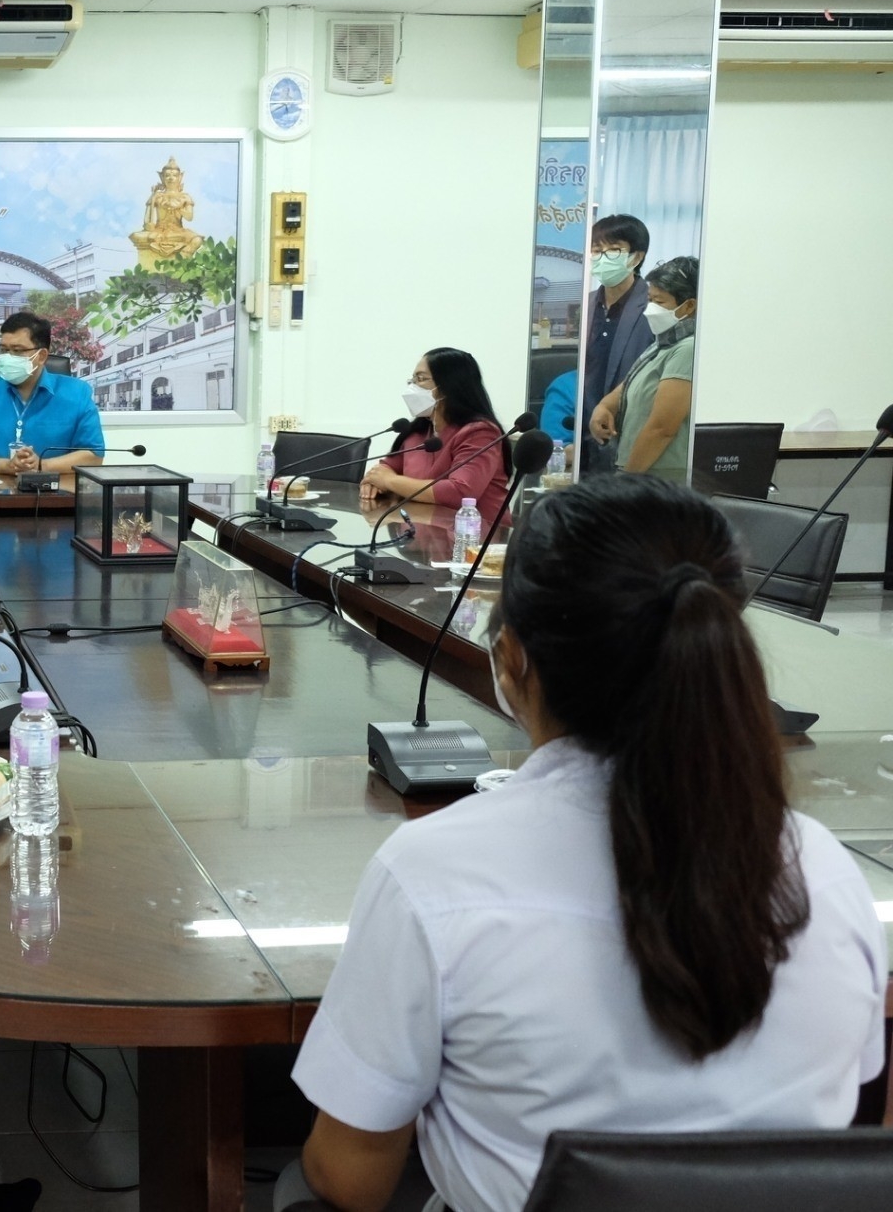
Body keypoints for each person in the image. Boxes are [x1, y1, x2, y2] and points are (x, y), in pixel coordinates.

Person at [278, 476, 885, 1212]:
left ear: (512, 661)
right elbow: (849, 1115)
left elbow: (352, 1177)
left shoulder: (434, 875)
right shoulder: (822, 869)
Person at [0, 311, 104, 478]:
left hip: (56, 497)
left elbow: (93, 456)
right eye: (3, 350)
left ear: (42, 356)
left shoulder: (77, 393)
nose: (8, 357)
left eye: (17, 350)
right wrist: (7, 466)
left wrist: (40, 465)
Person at [591, 255, 699, 481]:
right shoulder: (663, 343)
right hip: (640, 473)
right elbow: (632, 383)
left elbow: (662, 428)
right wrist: (604, 406)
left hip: (658, 477)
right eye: (650, 299)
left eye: (659, 302)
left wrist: (628, 479)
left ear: (689, 305)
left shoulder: (687, 349)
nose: (650, 309)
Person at [359, 348, 510, 510]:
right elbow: (386, 468)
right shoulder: (418, 432)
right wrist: (372, 482)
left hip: (473, 531)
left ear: (449, 385)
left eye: (421, 379)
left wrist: (389, 481)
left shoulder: (480, 433)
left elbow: (460, 493)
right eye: (412, 380)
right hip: (421, 527)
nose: (412, 386)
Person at [578, 214, 654, 473]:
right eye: (597, 251)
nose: (602, 258)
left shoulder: (656, 307)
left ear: (636, 257)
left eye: (614, 250)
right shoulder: (585, 304)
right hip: (584, 431)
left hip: (630, 430)